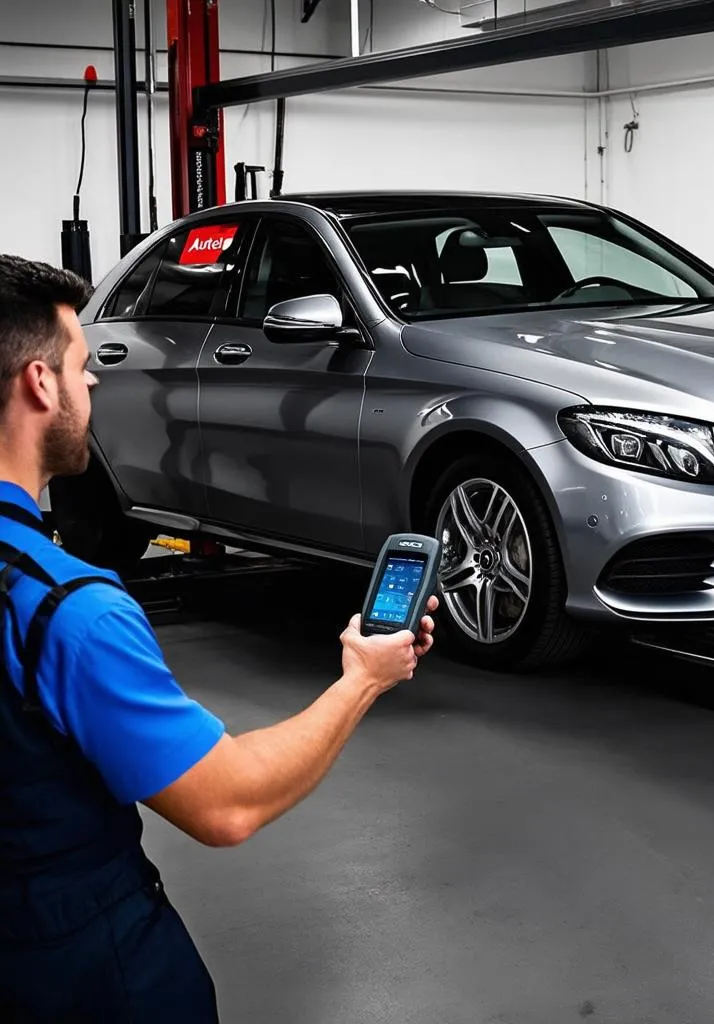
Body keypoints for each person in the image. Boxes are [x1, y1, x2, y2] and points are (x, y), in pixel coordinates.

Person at [0, 254, 438, 1022]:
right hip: (73, 968)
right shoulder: (69, 612)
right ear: (40, 385)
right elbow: (225, 804)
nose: (94, 381)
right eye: (80, 365)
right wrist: (362, 677)